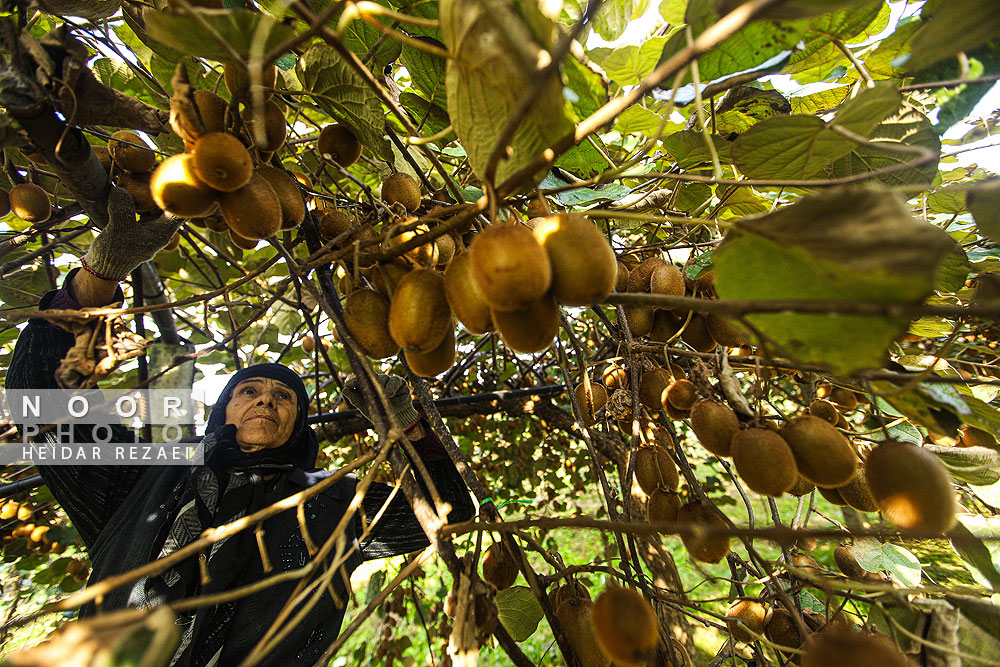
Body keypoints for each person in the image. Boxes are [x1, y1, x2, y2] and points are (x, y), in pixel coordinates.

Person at [4, 189, 475, 665]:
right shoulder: (144, 479)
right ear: (220, 411)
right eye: (248, 391)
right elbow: (39, 409)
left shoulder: (333, 502)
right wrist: (98, 275)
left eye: (284, 396)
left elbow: (446, 515)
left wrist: (404, 424)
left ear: (299, 426)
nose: (266, 398)